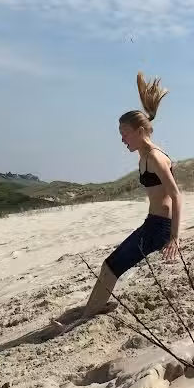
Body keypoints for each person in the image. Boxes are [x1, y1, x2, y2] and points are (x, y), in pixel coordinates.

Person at [50, 72, 182, 334]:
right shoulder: (144, 156)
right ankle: (94, 308)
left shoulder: (155, 157)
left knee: (111, 267)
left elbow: (176, 195)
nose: (122, 139)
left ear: (140, 131)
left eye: (125, 133)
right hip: (152, 223)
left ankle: (82, 320)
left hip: (159, 228)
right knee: (110, 266)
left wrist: (175, 237)